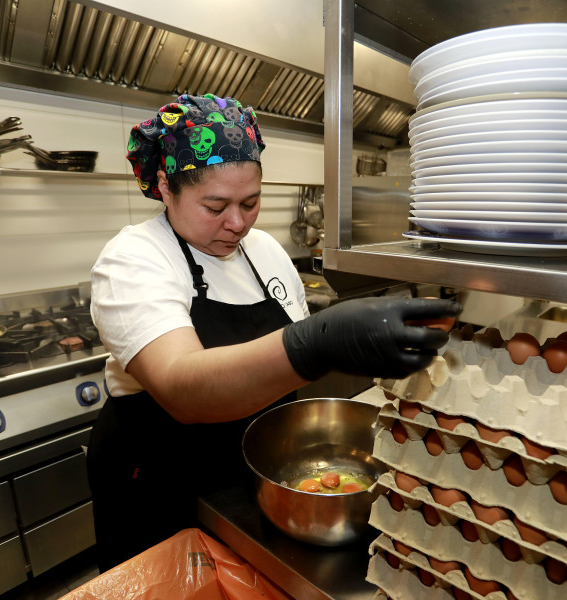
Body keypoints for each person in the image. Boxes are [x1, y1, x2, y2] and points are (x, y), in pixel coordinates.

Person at [86, 93, 461, 571]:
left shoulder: (263, 250)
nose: (237, 223)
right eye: (215, 205)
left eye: (251, 201)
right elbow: (183, 388)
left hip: (256, 478)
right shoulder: (135, 257)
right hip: (163, 485)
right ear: (165, 186)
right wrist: (319, 342)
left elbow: (279, 366)